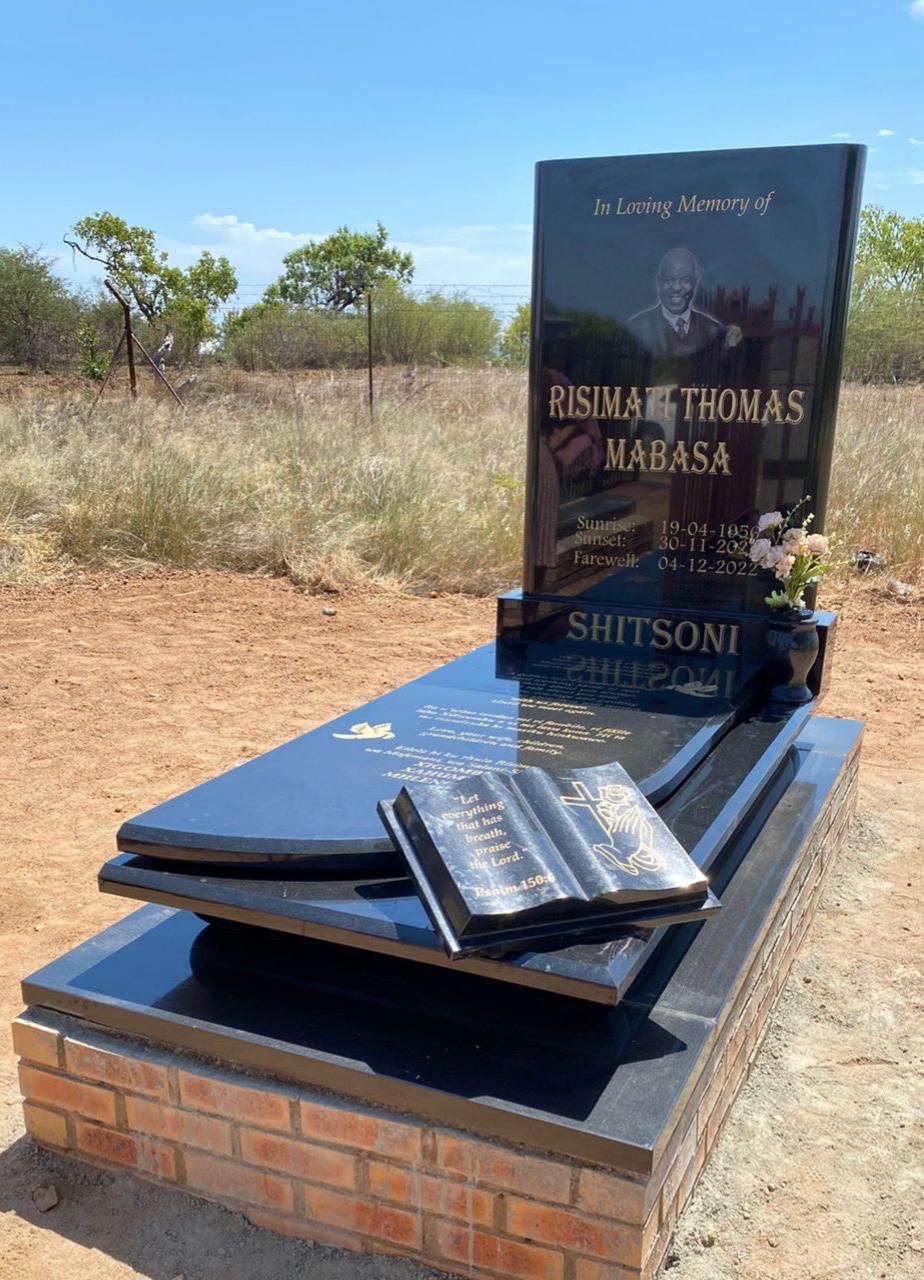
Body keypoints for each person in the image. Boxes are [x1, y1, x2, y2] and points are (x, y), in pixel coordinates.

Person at [628, 248, 728, 357]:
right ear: (659, 283)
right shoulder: (635, 329)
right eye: (668, 280)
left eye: (685, 280)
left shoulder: (714, 330)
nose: (676, 288)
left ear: (695, 282)